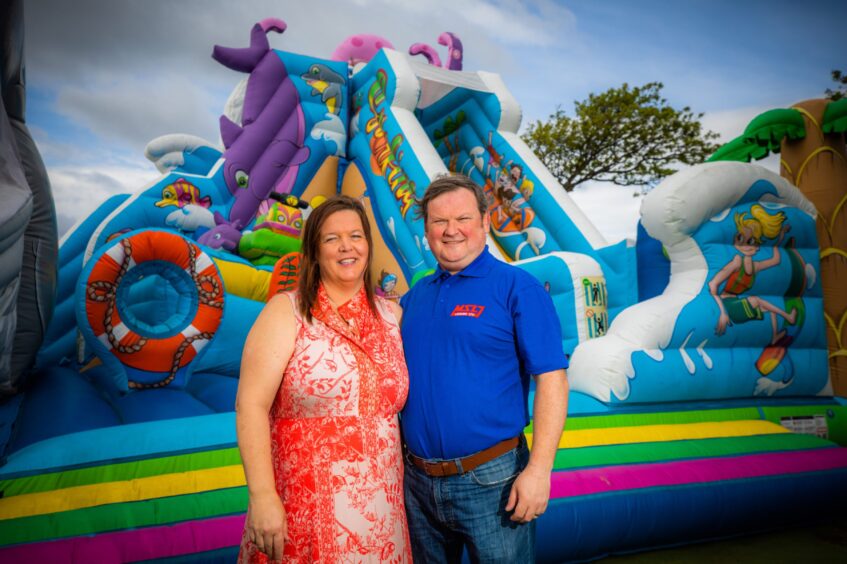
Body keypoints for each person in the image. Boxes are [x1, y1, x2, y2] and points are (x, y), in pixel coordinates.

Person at [400, 175, 569, 562]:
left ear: (484, 222)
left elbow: (553, 380)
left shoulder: (517, 288)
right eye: (439, 222)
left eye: (462, 218)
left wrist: (539, 471)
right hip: (417, 483)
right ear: (426, 230)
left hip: (493, 479)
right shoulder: (416, 296)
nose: (451, 230)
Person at [236, 194, 411, 563]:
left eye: (356, 236)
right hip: (304, 507)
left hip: (382, 513)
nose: (346, 246)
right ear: (314, 252)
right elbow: (250, 405)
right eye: (332, 239)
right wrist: (262, 496)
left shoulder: (392, 316)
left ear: (367, 244)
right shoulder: (287, 312)